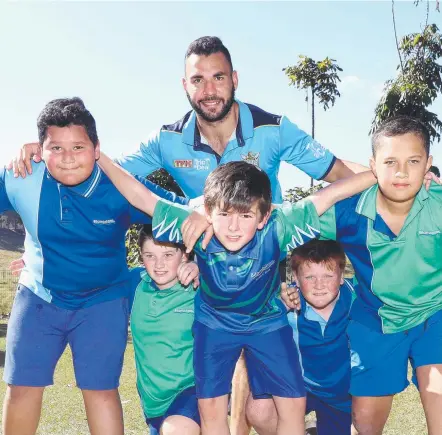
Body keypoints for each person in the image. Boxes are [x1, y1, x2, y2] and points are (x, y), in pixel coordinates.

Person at [96, 153, 377, 435]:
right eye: (225, 214)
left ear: (263, 216)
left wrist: (383, 173)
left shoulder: (277, 227)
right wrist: (101, 158)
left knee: (292, 404)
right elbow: (140, 196)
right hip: (214, 327)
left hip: (266, 324)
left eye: (245, 215)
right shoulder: (194, 227)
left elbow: (330, 194)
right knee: (212, 412)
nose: (233, 227)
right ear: (208, 210)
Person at [1, 97, 191, 435]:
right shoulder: (20, 177)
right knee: (21, 388)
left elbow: (185, 214)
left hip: (102, 302)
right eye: (55, 148)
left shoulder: (122, 187)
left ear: (97, 148)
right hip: (38, 298)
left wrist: (195, 260)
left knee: (101, 391)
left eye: (78, 146)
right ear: (40, 150)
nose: (68, 158)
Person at [286, 116, 442, 435]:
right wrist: (286, 285)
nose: (401, 172)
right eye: (390, 162)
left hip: (434, 319)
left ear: (428, 163)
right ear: (373, 166)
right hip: (376, 322)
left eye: (413, 161)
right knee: (366, 423)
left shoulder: (437, 204)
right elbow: (273, 227)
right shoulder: (345, 212)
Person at [246, 239, 355, 435]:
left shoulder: (356, 298)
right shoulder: (289, 300)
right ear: (295, 277)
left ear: (341, 276)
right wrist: (278, 307)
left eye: (328, 275)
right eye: (310, 277)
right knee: (259, 410)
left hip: (340, 396)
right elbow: (250, 324)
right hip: (297, 389)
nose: (319, 285)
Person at [129, 225, 200, 435]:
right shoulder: (134, 283)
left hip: (193, 390)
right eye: (150, 255)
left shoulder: (199, 288)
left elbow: (236, 276)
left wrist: (202, 266)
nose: (159, 264)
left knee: (175, 430)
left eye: (168, 254)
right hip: (154, 402)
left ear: (185, 255)